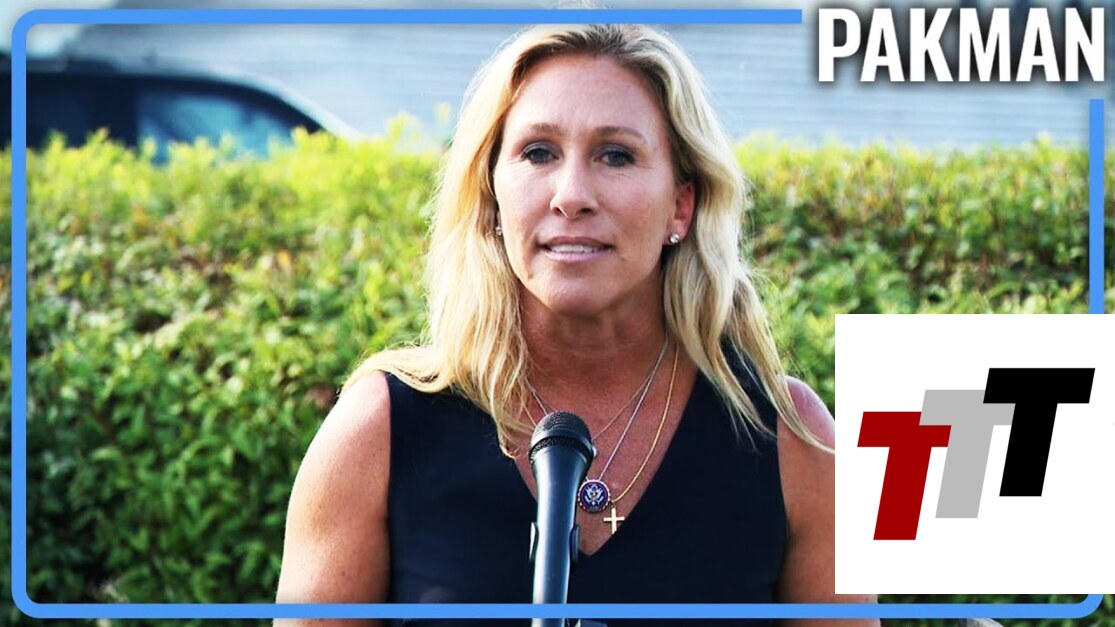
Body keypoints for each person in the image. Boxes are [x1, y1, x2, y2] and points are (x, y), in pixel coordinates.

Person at [275, 23, 877, 626]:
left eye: (616, 155)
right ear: (492, 195)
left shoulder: (797, 444)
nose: (571, 195)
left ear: (681, 205)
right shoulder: (379, 431)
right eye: (538, 153)